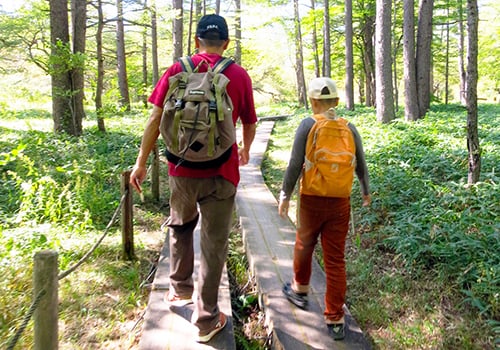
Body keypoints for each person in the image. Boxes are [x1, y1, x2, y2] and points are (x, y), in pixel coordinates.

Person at [130, 14, 257, 343]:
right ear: (226, 43)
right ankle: (205, 319)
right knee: (214, 244)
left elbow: (156, 117)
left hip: (181, 170)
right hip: (221, 172)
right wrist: (244, 150)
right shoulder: (238, 74)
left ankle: (178, 289)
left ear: (196, 40)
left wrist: (141, 162)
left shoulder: (177, 69)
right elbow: (250, 121)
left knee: (181, 225)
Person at [278, 77, 371, 341]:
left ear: (312, 101)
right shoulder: (349, 127)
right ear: (337, 102)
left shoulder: (308, 124)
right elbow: (361, 164)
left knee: (304, 243)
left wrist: (285, 194)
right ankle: (335, 318)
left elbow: (295, 163)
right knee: (335, 259)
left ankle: (300, 290)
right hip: (340, 201)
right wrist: (365, 191)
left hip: (312, 199)